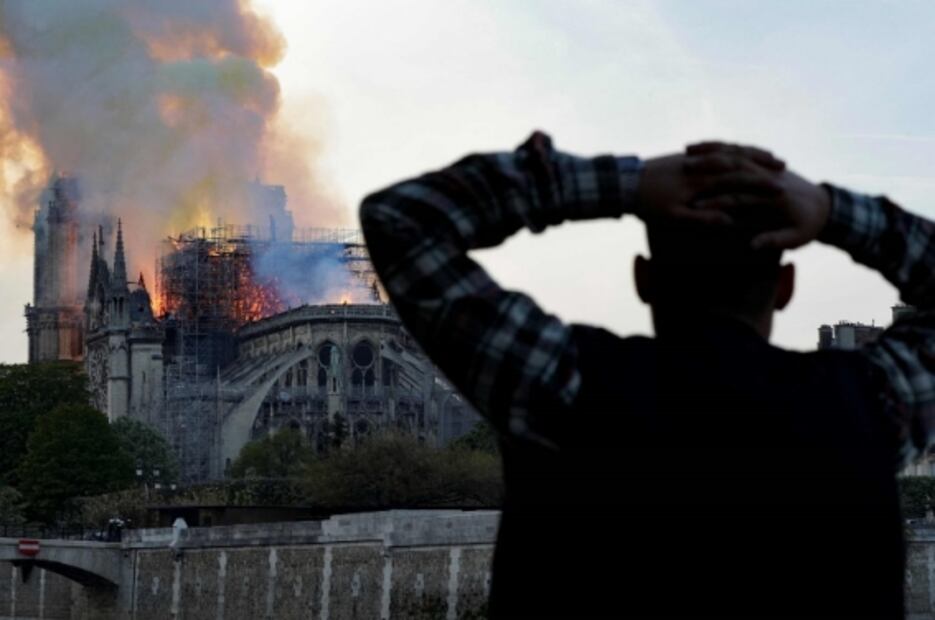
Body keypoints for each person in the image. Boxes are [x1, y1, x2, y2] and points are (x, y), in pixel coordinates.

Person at [359, 132, 935, 618]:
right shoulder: (873, 406)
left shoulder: (561, 384)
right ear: (785, 288)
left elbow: (403, 218)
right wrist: (832, 212)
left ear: (643, 278)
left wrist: (625, 184)